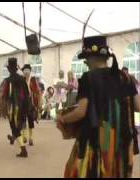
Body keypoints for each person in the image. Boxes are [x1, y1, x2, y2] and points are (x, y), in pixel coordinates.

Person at [56, 36, 140, 178]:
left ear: (92, 58)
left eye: (86, 59)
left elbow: (81, 111)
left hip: (96, 142)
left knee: (79, 172)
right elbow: (138, 106)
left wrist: (62, 118)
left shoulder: (88, 78)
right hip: (122, 144)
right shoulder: (126, 77)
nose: (86, 63)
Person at [0, 57, 30, 158]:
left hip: (12, 108)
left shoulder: (7, 81)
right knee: (18, 127)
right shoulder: (22, 79)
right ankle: (14, 139)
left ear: (8, 69)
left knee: (15, 128)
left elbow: (4, 95)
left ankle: (23, 149)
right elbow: (27, 94)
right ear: (16, 68)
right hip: (23, 107)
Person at [21, 64, 41, 146]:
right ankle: (24, 136)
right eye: (24, 70)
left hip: (31, 102)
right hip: (22, 102)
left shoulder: (33, 80)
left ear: (29, 71)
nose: (26, 72)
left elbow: (36, 91)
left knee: (30, 120)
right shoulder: (21, 79)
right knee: (22, 120)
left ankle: (31, 138)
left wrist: (37, 102)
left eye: (27, 70)